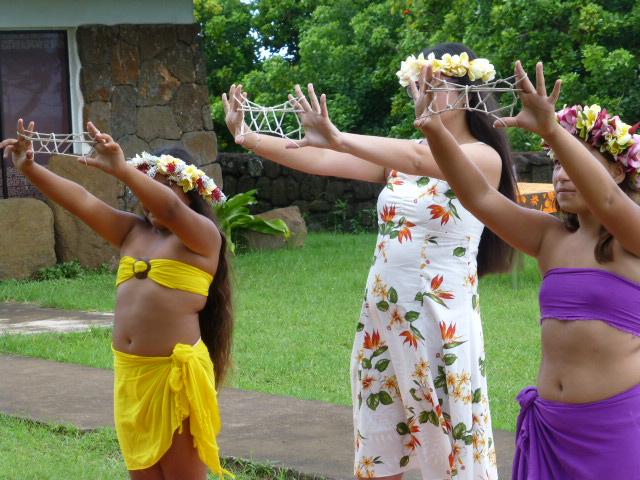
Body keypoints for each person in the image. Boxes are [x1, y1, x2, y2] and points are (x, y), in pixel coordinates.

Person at [224, 43, 518, 479]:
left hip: (438, 321)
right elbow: (320, 159)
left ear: (467, 92)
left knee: (447, 447)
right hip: (383, 316)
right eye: (418, 84)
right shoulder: (403, 156)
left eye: (434, 85)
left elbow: (424, 158)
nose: (423, 92)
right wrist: (246, 136)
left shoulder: (482, 157)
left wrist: (339, 134)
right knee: (379, 442)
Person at [413, 59, 640, 478]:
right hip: (551, 427)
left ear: (616, 170)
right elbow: (478, 196)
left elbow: (609, 203)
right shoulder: (550, 239)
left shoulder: (634, 241)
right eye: (555, 164)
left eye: (574, 162)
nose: (562, 175)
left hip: (617, 430)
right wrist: (434, 129)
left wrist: (552, 129)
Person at [0, 121, 233, 480]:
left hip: (173, 380)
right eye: (145, 186)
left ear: (187, 191)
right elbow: (81, 200)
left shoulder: (203, 238)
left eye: (162, 186)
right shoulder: (132, 232)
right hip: (130, 377)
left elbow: (170, 210)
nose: (148, 197)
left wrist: (123, 169)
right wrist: (29, 167)